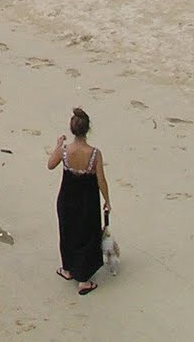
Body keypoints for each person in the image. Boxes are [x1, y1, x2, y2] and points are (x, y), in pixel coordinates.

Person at [47, 107, 111, 295]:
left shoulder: (65, 151)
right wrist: (107, 200)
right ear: (87, 129)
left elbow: (50, 165)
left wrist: (58, 145)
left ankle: (67, 269)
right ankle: (83, 279)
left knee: (67, 232)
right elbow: (101, 179)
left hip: (66, 198)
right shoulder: (94, 154)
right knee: (87, 235)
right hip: (87, 200)